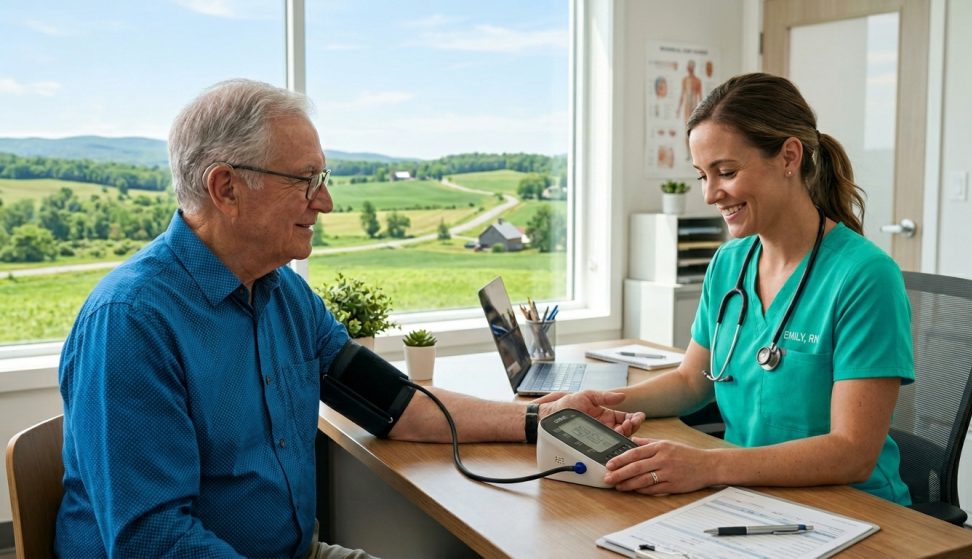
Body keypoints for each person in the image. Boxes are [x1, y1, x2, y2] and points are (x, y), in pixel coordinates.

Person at [55, 78, 645, 559]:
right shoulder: (131, 323)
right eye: (305, 181)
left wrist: (540, 418)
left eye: (324, 179)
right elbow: (152, 543)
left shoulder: (282, 292)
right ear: (225, 187)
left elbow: (395, 404)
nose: (326, 202)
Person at [603, 72, 914, 505]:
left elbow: (853, 453)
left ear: (789, 156)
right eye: (702, 176)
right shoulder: (730, 263)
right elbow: (693, 381)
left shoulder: (865, 276)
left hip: (852, 507)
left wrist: (707, 466)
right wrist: (606, 403)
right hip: (748, 493)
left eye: (726, 172)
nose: (711, 195)